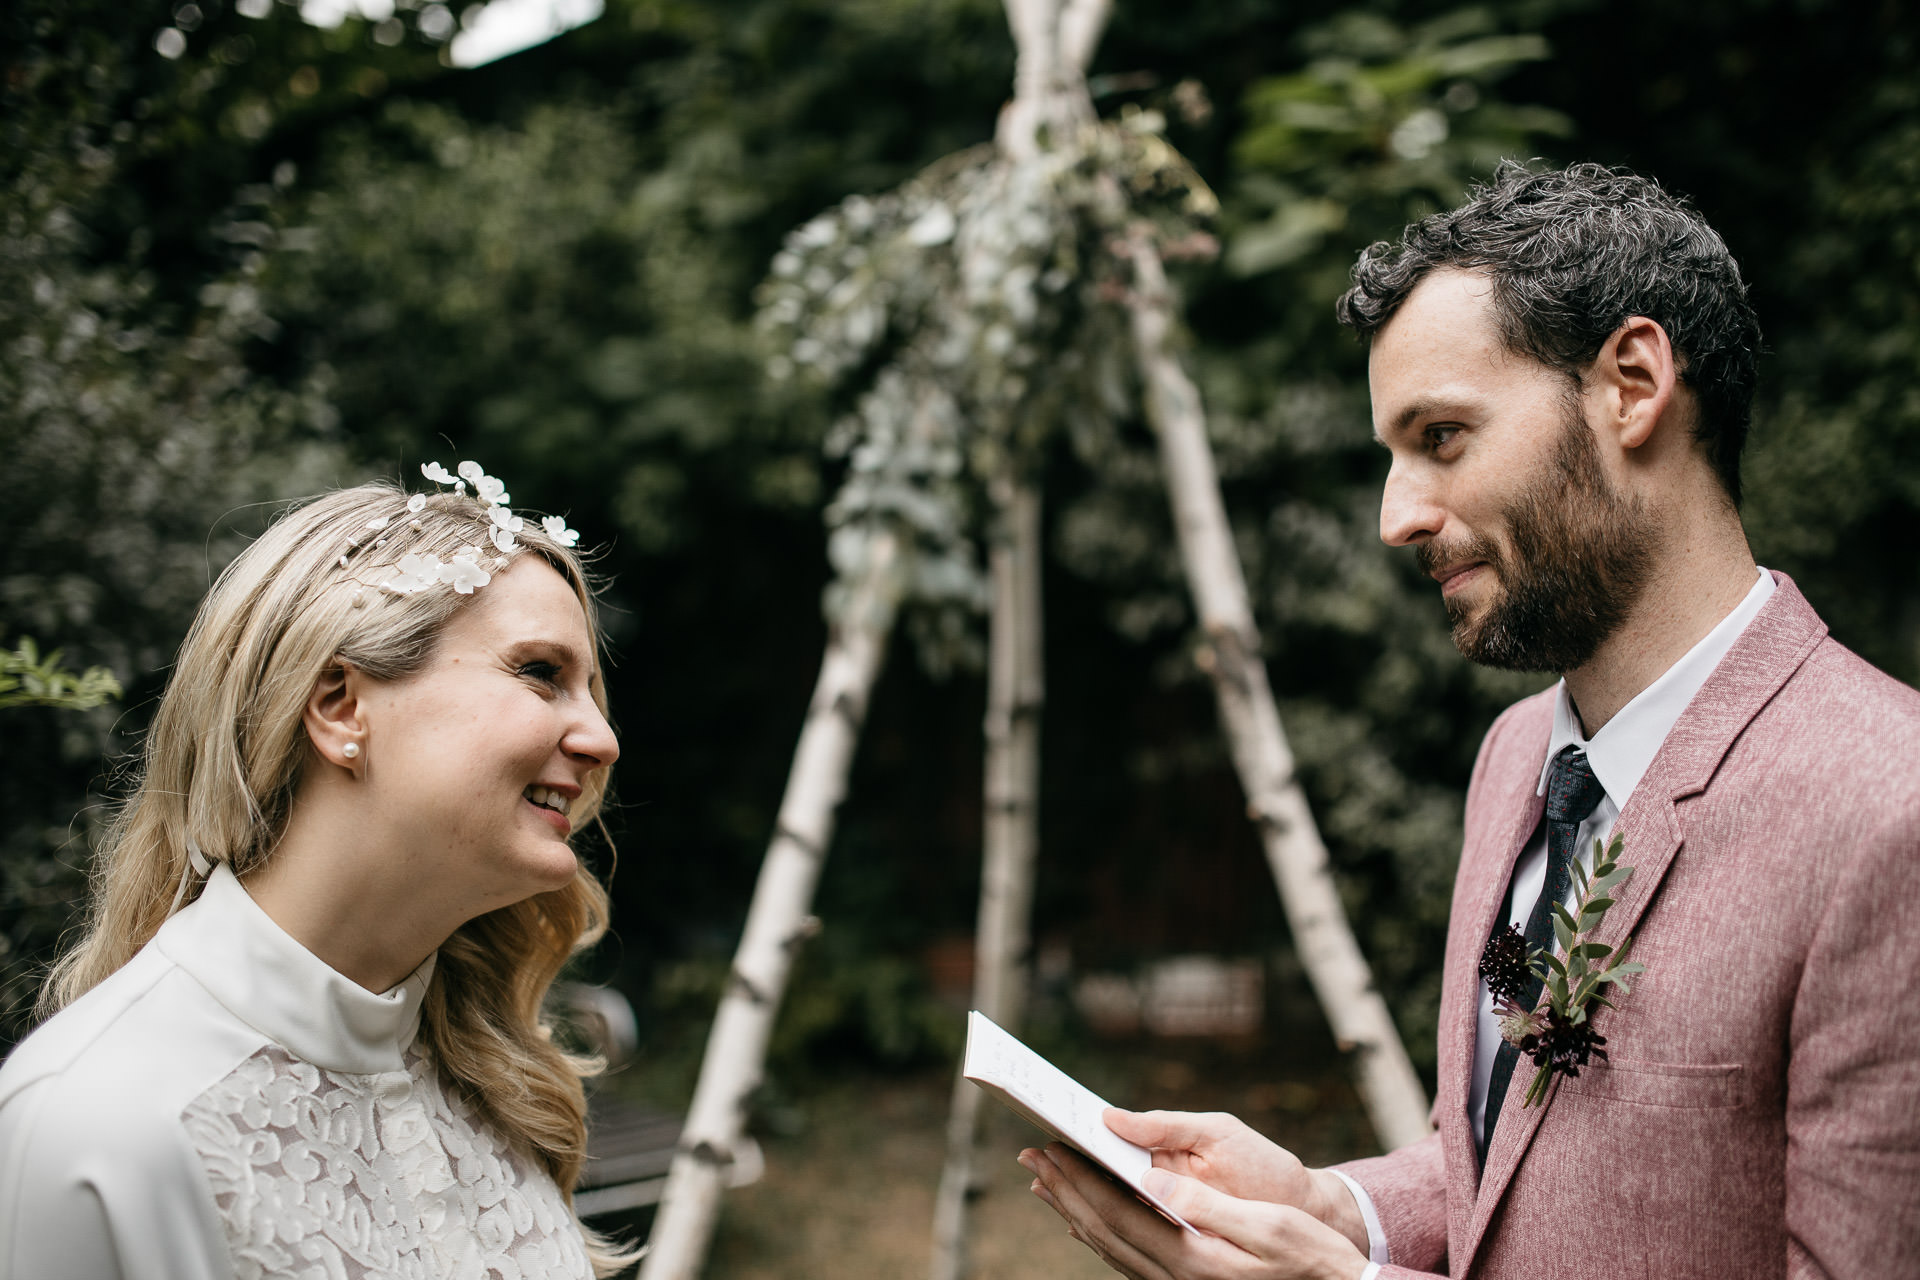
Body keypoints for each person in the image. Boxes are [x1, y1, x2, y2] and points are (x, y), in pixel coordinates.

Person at [1021, 162, 1920, 1278]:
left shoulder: (1891, 813)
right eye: (1392, 457)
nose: (1396, 517)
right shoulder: (1515, 765)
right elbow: (1502, 1157)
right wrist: (1336, 1206)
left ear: (1632, 385)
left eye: (1442, 435)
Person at [0, 465, 638, 1278]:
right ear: (339, 704)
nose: (602, 740)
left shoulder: (489, 1084)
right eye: (541, 673)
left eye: (590, 691)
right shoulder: (93, 1122)